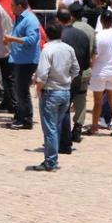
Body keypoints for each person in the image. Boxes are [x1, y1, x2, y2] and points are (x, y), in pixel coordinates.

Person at [32, 22, 80, 172]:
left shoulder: (47, 50)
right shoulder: (69, 49)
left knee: (50, 129)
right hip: (65, 91)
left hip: (51, 92)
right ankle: (52, 158)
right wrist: (66, 80)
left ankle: (51, 161)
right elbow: (76, 69)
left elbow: (42, 74)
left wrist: (39, 90)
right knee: (55, 127)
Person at [85, 9, 112, 137]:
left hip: (100, 71)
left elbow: (94, 56)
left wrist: (89, 68)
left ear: (102, 21)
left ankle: (94, 127)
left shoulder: (98, 36)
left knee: (97, 101)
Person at [4, 0, 41, 130]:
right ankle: (20, 116)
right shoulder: (19, 18)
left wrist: (12, 39)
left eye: (12, 5)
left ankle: (26, 119)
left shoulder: (30, 19)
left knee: (23, 91)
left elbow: (32, 40)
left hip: (27, 61)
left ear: (20, 6)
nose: (11, 8)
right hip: (19, 59)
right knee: (19, 90)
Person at [57, 8, 91, 153]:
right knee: (69, 106)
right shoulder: (83, 35)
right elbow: (86, 61)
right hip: (77, 77)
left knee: (60, 112)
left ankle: (61, 142)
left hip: (61, 78)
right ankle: (67, 139)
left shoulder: (60, 36)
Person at [68, 2, 96, 142]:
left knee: (65, 98)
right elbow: (94, 53)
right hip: (85, 69)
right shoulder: (90, 30)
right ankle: (78, 128)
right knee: (81, 99)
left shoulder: (69, 29)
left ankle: (63, 127)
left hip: (69, 71)